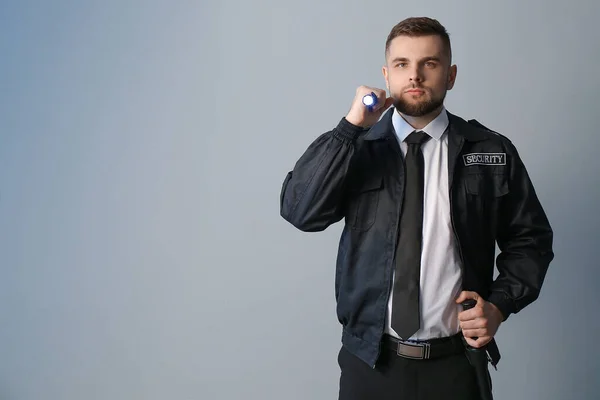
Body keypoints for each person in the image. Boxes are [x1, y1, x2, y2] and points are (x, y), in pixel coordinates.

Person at [279, 16, 554, 400]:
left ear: (451, 75)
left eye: (430, 63)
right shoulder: (355, 147)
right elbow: (300, 211)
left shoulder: (490, 151)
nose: (415, 76)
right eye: (402, 64)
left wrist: (499, 305)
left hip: (457, 365)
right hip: (371, 364)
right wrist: (350, 127)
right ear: (386, 75)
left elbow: (530, 240)